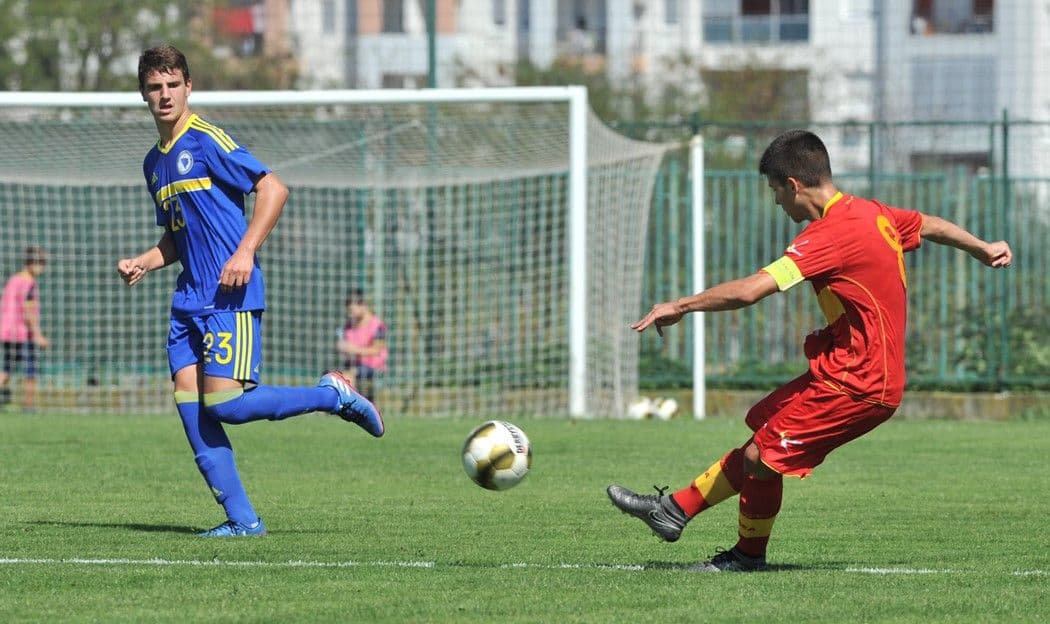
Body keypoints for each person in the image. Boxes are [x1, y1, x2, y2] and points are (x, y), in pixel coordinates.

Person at [608, 130, 1012, 572]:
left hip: (859, 382)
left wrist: (680, 305)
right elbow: (928, 223)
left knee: (761, 457)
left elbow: (750, 291)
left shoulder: (828, 237)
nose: (778, 203)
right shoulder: (873, 214)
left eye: (776, 192)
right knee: (761, 438)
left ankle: (746, 556)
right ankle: (674, 511)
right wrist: (981, 247)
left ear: (794, 185)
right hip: (845, 371)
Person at [117, 44, 384, 538]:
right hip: (187, 303)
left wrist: (244, 251)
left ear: (189, 86)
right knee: (193, 413)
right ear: (144, 94)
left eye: (173, 84)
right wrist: (145, 261)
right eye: (155, 87)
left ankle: (333, 395)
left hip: (229, 296)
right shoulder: (154, 164)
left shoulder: (208, 139)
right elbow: (176, 238)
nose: (165, 95)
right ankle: (243, 521)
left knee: (228, 406)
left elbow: (273, 189)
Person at [0, 246, 50, 410]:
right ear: (30, 263)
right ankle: (29, 406)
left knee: (6, 369)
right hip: (22, 333)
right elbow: (28, 310)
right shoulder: (28, 283)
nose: (42, 267)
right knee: (31, 370)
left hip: (7, 332)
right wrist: (37, 335)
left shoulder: (13, 280)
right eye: (40, 263)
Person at [337, 289, 388, 404]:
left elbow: (376, 350)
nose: (350, 313)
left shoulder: (377, 326)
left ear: (363, 306)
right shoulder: (348, 326)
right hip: (353, 364)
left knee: (349, 375)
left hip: (374, 367)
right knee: (331, 374)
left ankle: (353, 407)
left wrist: (352, 349)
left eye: (352, 309)